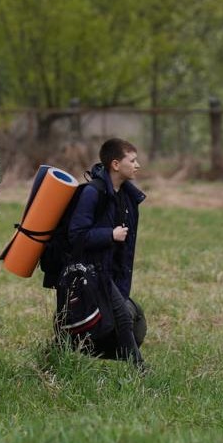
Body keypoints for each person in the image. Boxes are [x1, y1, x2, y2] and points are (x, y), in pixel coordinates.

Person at [64, 138, 147, 370]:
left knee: (133, 317)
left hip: (109, 271)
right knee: (122, 317)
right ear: (116, 164)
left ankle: (60, 351)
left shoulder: (126, 196)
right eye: (132, 160)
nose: (137, 164)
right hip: (89, 270)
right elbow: (76, 236)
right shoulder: (92, 193)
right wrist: (109, 234)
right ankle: (139, 369)